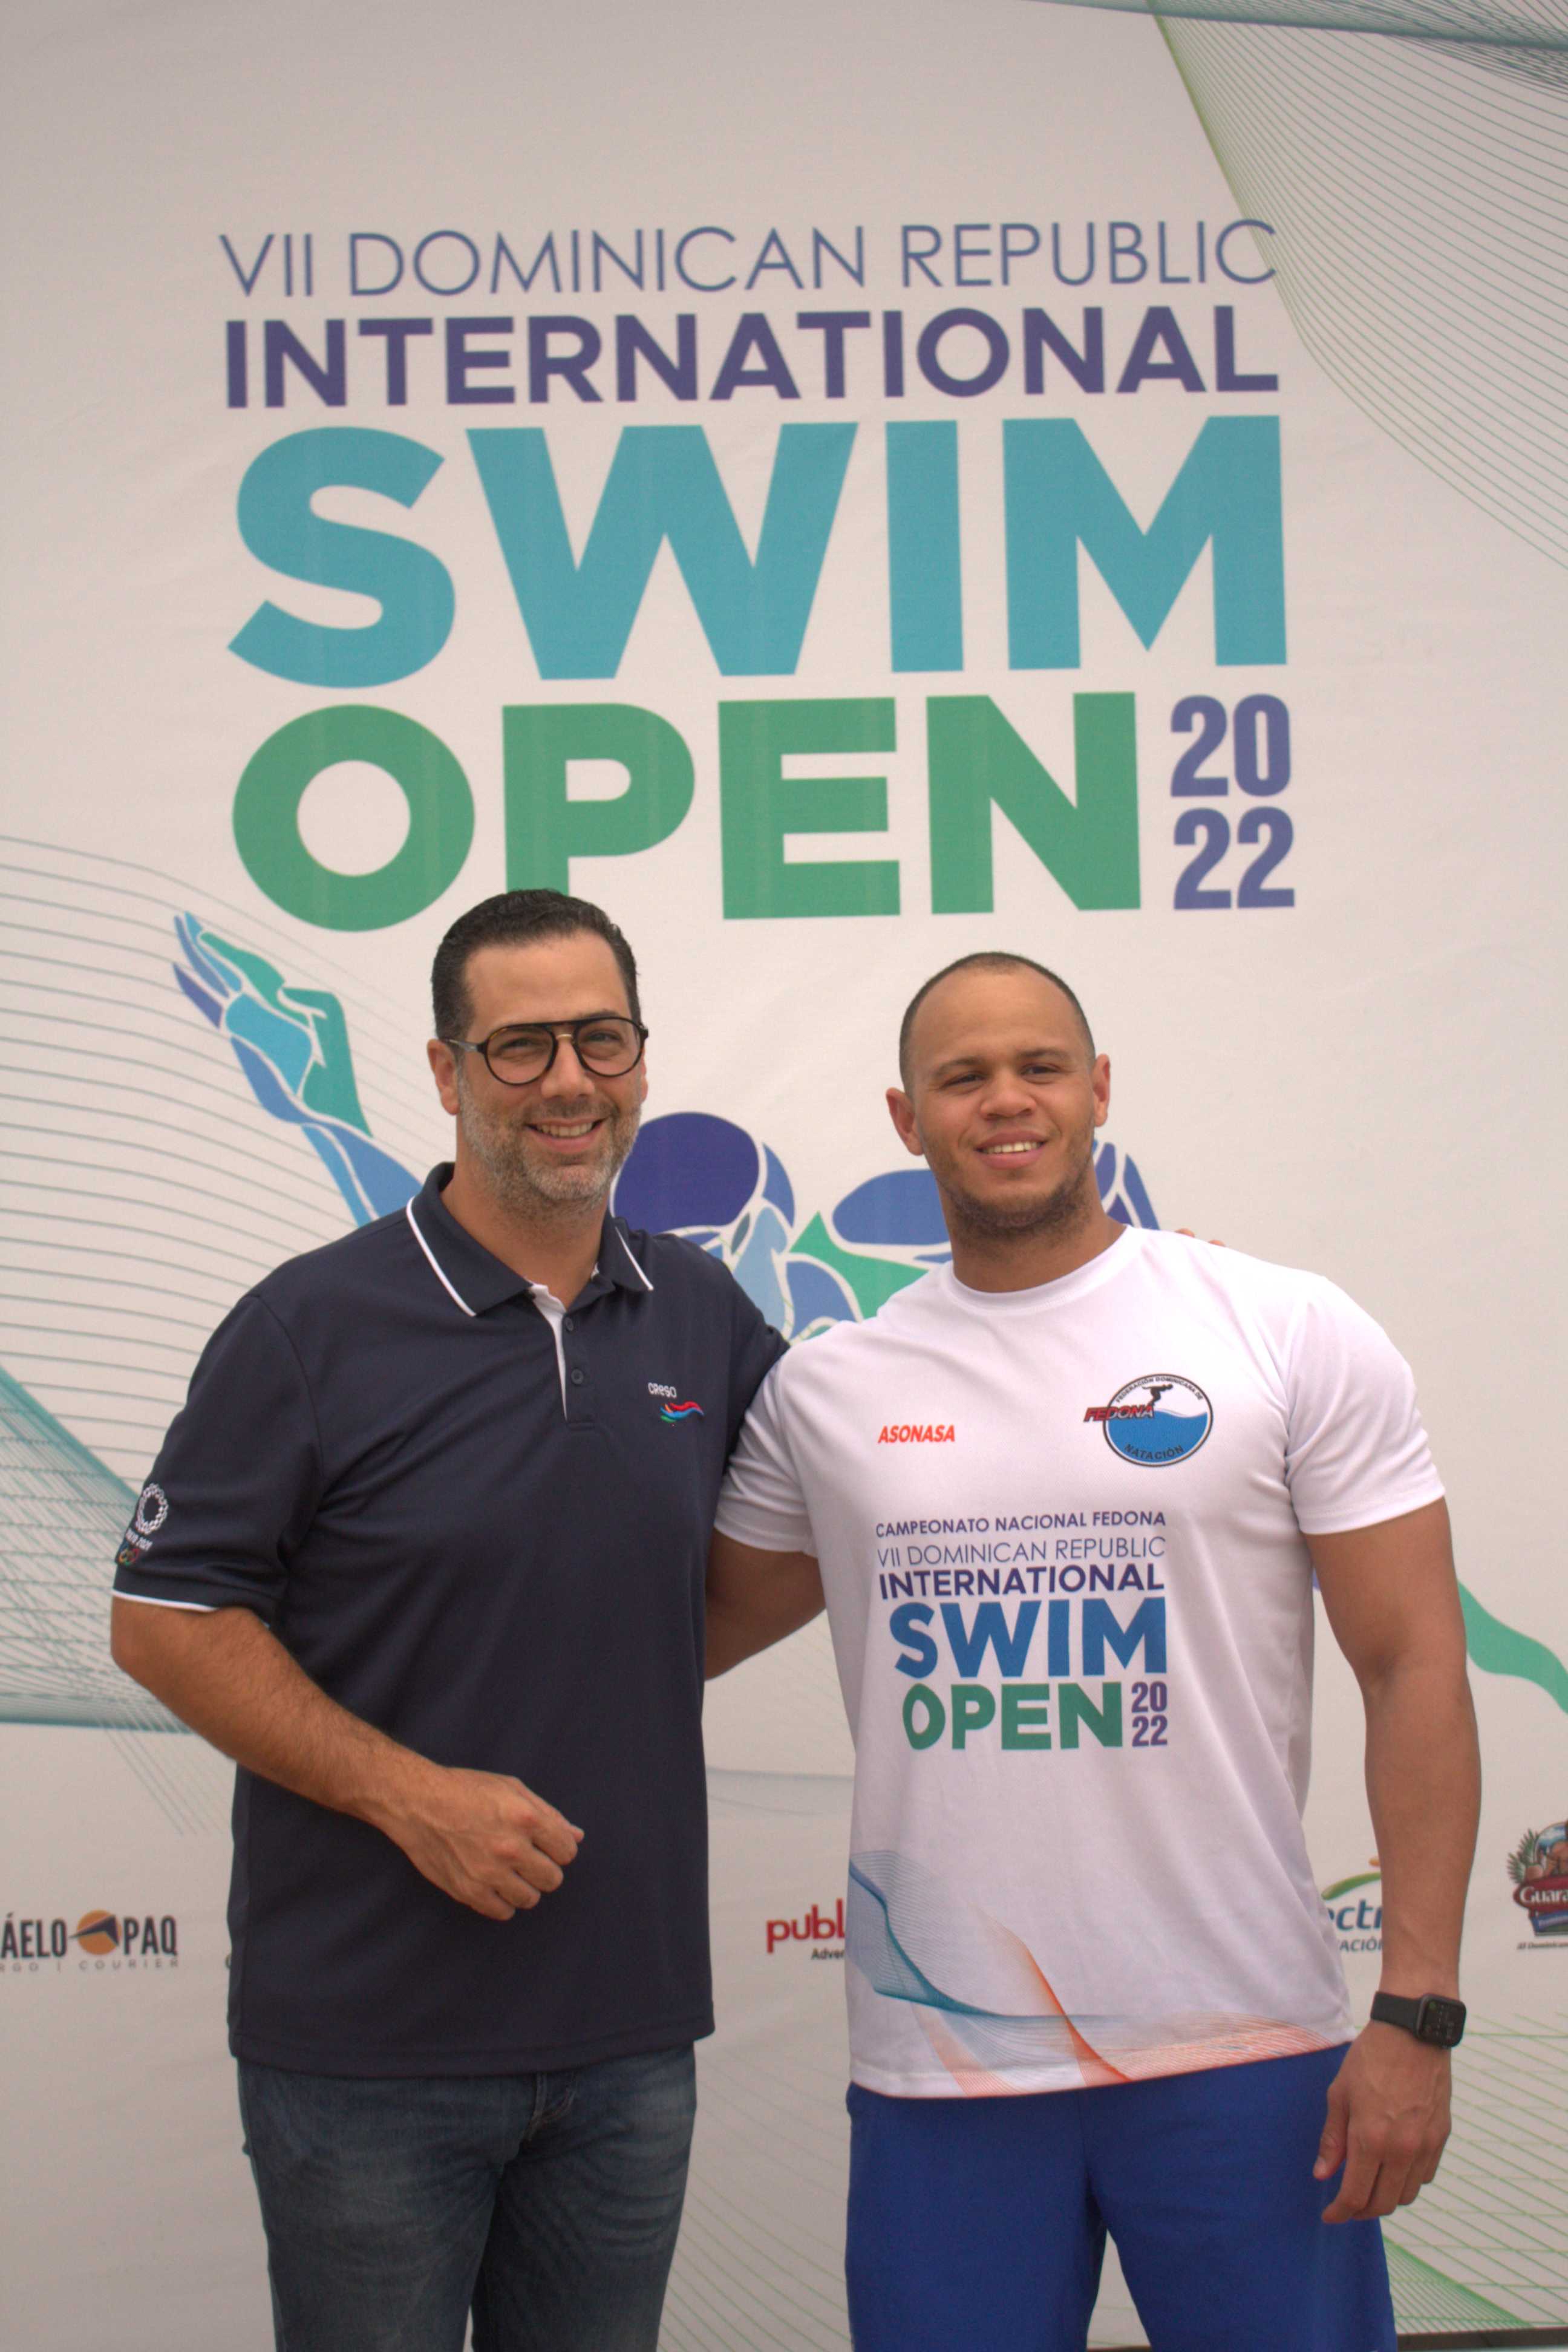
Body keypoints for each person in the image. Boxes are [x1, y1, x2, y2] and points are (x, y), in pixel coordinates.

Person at [706, 949, 1479, 2352]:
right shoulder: (828, 1389)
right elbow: (672, 1638)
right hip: (945, 2065)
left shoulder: (1284, 1329)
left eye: (1040, 1067)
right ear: (906, 1118)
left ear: (1099, 1089)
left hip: (1247, 2048)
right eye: (963, 1077)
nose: (1006, 1100)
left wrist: (1416, 2013)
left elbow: (1413, 1663)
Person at [109, 889, 783, 2352]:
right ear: (445, 1070)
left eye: (601, 1040)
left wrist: (1131, 1320)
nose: (568, 1081)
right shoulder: (308, 1325)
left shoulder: (702, 1312)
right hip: (371, 2050)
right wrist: (409, 1796)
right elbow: (166, 1620)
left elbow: (867, 1481)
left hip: (627, 2036)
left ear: (642, 1060)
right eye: (520, 1046)